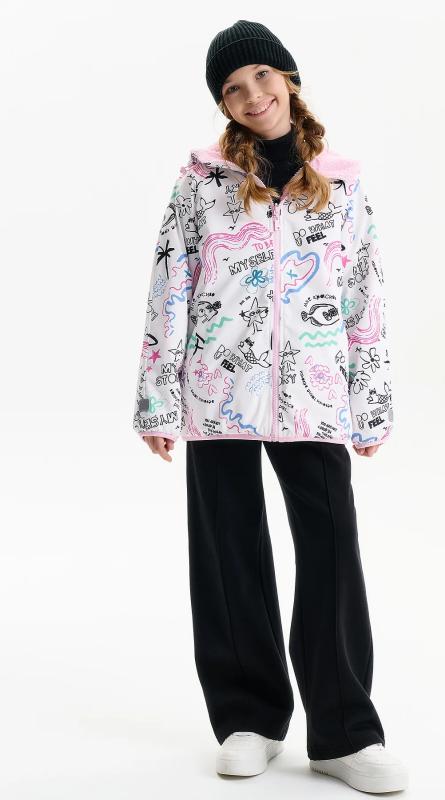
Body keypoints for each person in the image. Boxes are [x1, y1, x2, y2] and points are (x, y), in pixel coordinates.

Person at [132, 19, 407, 794]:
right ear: (222, 103)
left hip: (314, 393)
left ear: (287, 78)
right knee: (228, 552)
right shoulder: (200, 183)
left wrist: (370, 404)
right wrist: (157, 402)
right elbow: (169, 286)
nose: (252, 96)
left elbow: (362, 298)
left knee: (330, 550)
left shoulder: (341, 185)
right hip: (216, 389)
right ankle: (247, 719)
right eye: (232, 88)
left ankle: (344, 732)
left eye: (261, 76)